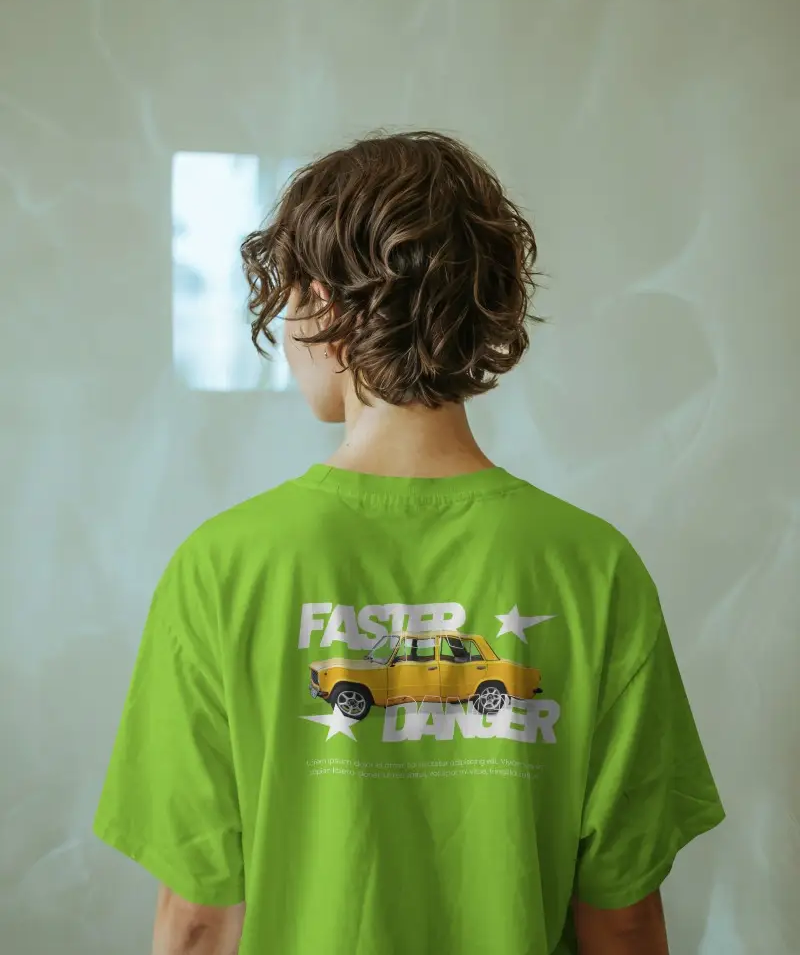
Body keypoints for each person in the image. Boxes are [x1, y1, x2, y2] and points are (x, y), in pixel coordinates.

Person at [94, 131, 724, 955]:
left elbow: (203, 919)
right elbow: (623, 917)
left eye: (289, 301)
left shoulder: (224, 566)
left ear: (324, 305)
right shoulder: (592, 568)